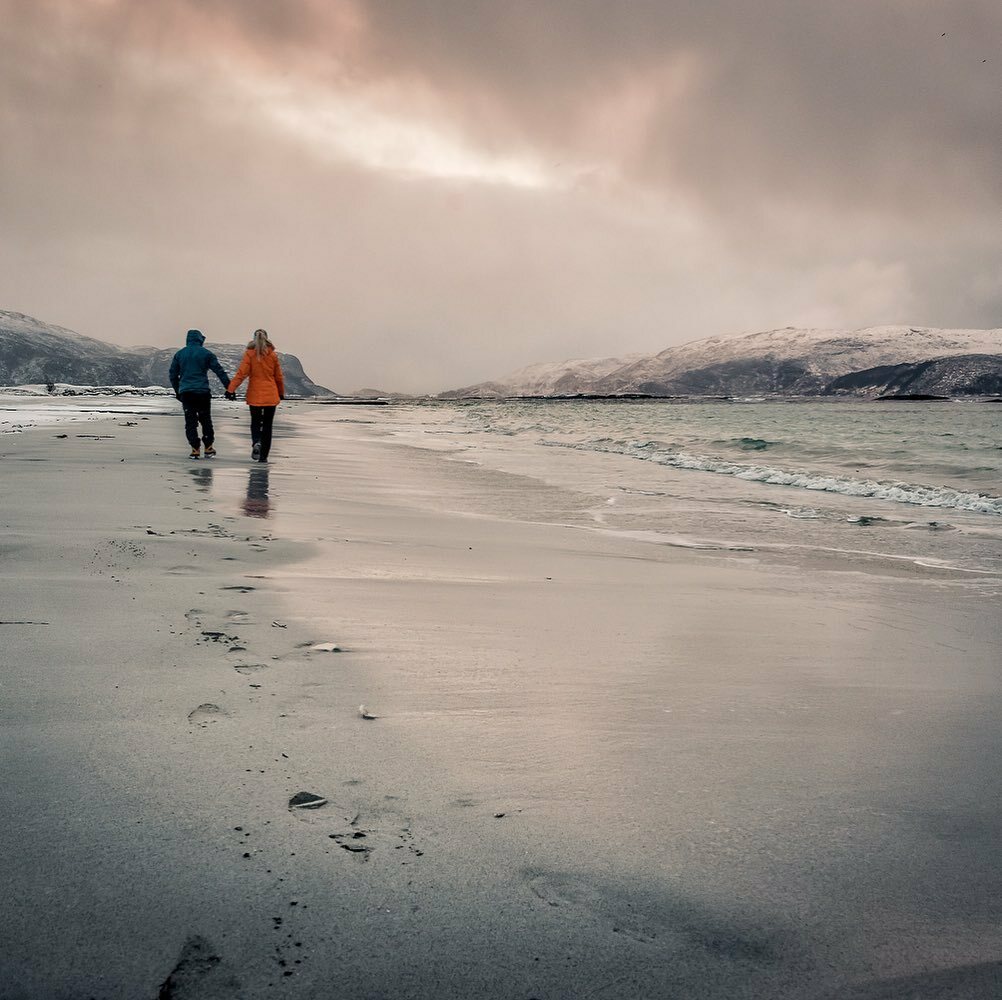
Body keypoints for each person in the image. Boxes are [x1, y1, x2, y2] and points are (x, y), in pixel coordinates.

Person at [168, 329, 232, 459]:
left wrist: (178, 390)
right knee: (205, 419)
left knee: (190, 421)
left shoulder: (180, 354)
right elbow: (219, 371)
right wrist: (229, 388)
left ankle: (194, 448)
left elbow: (173, 375)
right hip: (202, 392)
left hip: (186, 393)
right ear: (200, 339)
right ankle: (208, 447)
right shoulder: (206, 354)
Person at [226, 329, 285, 463]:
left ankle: (256, 441)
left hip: (255, 395)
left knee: (255, 422)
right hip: (271, 395)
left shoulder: (249, 354)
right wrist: (281, 393)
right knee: (268, 425)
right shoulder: (272, 355)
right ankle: (263, 456)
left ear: (253, 339)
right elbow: (278, 377)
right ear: (267, 338)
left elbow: (241, 374)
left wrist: (231, 389)